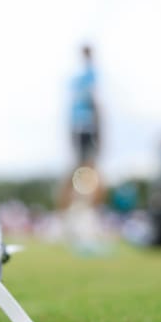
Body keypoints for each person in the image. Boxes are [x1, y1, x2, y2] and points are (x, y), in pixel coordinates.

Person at [58, 45, 103, 210]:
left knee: (85, 166)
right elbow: (94, 104)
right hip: (84, 126)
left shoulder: (82, 76)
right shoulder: (87, 76)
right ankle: (74, 205)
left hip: (82, 126)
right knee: (84, 166)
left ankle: (83, 204)